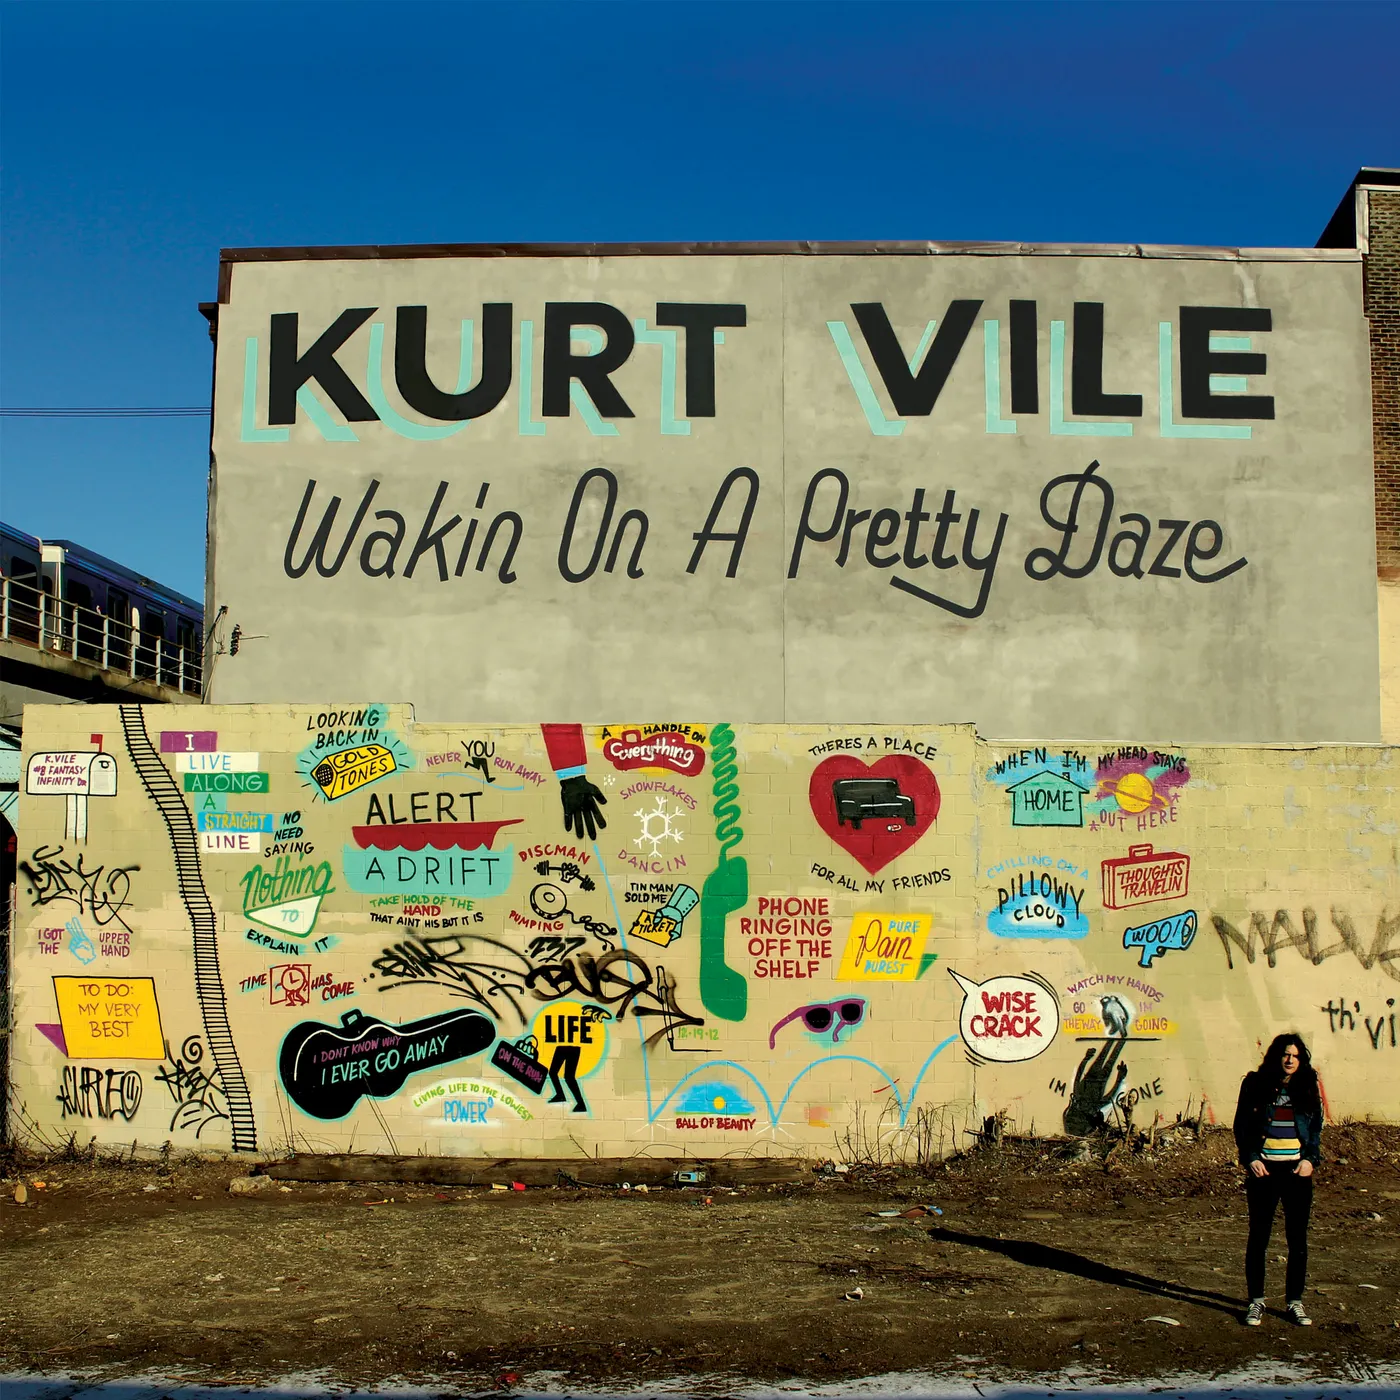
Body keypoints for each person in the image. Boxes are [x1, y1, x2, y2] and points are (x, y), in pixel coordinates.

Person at [1232, 1034, 1323, 1327]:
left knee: (1297, 1240)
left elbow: (1316, 1128)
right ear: (1276, 1056)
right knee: (1259, 1237)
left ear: (1302, 1059)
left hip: (1297, 1172)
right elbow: (1241, 1125)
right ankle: (1256, 1301)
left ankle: (1294, 1302)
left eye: (1295, 1056)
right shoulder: (1255, 1084)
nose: (1290, 1060)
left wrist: (1310, 1160)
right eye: (1286, 1054)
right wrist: (1251, 1158)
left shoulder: (1308, 1087)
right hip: (1265, 1171)